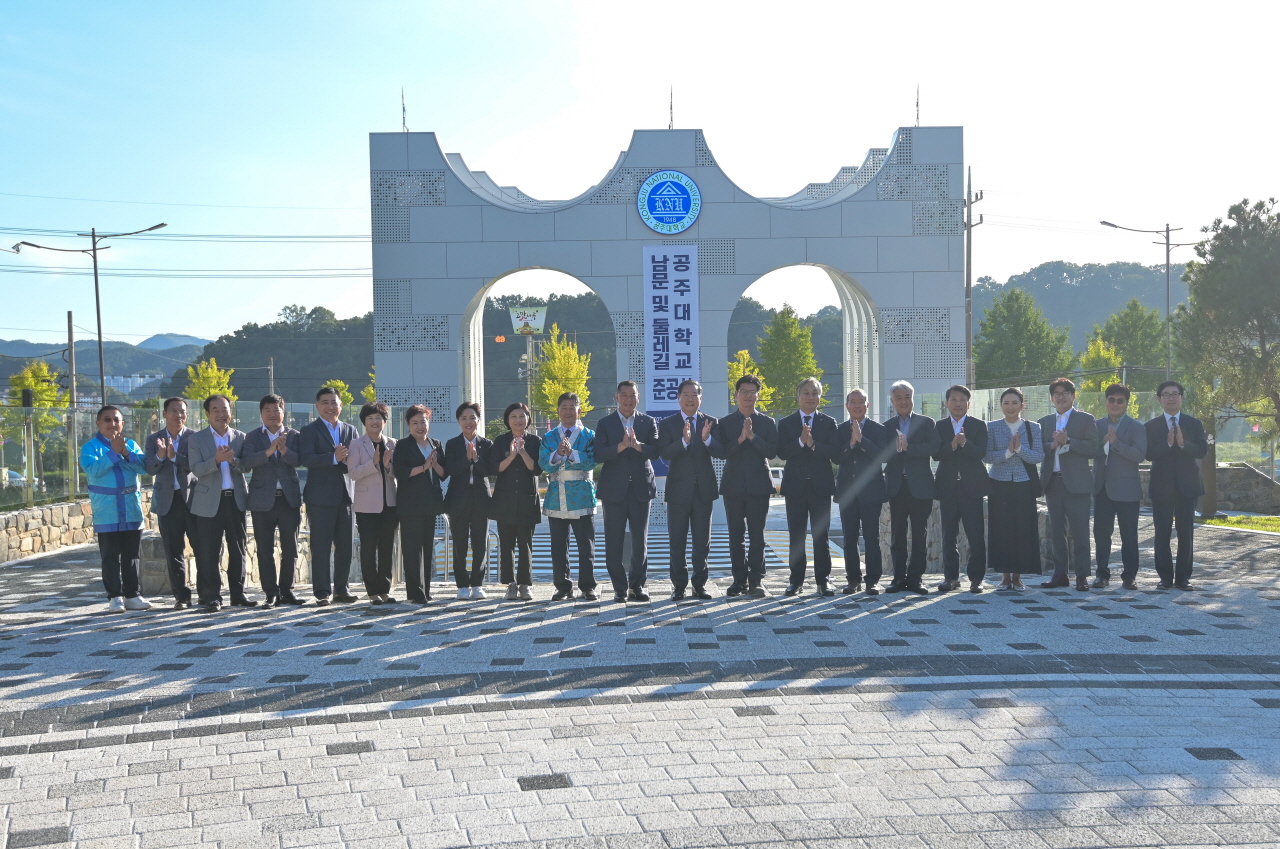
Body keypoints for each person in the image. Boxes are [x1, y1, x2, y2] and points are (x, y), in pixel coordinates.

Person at [713, 374, 779, 599]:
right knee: (736, 537)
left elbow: (772, 452)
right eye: (744, 391)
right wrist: (740, 439)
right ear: (736, 395)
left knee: (757, 536)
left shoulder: (767, 422)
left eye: (752, 392)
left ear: (758, 396)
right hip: (733, 486)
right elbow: (721, 452)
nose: (748, 396)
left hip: (759, 486)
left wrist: (753, 437)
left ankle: (756, 581)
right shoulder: (725, 423)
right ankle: (738, 580)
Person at [186, 394, 254, 612]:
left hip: (235, 500)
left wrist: (234, 461)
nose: (221, 414)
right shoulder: (197, 439)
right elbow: (196, 469)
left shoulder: (241, 437)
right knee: (209, 551)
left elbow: (247, 467)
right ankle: (212, 596)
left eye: (225, 409)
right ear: (207, 414)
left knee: (238, 549)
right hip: (208, 502)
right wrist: (216, 460)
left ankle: (238, 594)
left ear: (231, 412)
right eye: (215, 410)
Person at [82, 405, 151, 613]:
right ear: (98, 423)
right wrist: (113, 453)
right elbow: (93, 471)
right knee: (110, 556)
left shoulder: (131, 444)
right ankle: (115, 596)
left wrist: (126, 453)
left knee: (132, 555)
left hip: (131, 508)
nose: (112, 423)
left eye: (116, 420)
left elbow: (144, 467)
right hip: (107, 510)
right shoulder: (90, 448)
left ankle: (133, 595)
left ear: (123, 423)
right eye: (107, 420)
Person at [656, 380, 721, 601]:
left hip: (704, 490)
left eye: (695, 395)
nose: (690, 399)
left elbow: (721, 452)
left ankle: (699, 585)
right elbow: (664, 453)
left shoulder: (711, 422)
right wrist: (683, 442)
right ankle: (679, 585)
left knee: (702, 542)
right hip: (678, 490)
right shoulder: (668, 423)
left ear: (701, 399)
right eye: (686, 394)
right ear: (678, 398)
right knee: (677, 541)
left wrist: (707, 439)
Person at [595, 381, 660, 602]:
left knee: (640, 540)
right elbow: (598, 454)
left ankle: (637, 586)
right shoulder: (605, 423)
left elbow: (656, 451)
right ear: (617, 397)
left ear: (638, 398)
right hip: (614, 490)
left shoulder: (647, 421)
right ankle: (619, 588)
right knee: (614, 540)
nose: (628, 399)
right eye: (624, 395)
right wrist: (621, 446)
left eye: (632, 395)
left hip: (641, 488)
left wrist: (638, 445)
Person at [777, 378, 840, 596]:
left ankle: (824, 580)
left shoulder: (828, 422)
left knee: (821, 536)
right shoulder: (786, 423)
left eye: (815, 393)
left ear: (820, 397)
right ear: (798, 396)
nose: (810, 397)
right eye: (806, 392)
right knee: (796, 536)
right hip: (795, 486)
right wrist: (800, 442)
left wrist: (813, 444)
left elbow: (835, 453)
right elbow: (782, 452)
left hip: (820, 486)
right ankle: (796, 581)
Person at [240, 394, 304, 608]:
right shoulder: (252, 437)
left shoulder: (294, 435)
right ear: (261, 413)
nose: (272, 414)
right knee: (264, 548)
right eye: (267, 410)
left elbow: (300, 460)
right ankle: (270, 592)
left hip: (288, 498)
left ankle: (287, 590)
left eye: (276, 410)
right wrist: (268, 451)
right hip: (261, 500)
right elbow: (246, 462)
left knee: (290, 548)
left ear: (283, 412)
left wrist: (283, 450)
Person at [1038, 378, 1100, 591]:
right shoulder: (1044, 421)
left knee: (1080, 531)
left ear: (1073, 396)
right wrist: (1052, 444)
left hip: (1077, 484)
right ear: (1051, 398)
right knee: (1057, 532)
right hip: (1053, 482)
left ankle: (1082, 576)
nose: (1061, 397)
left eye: (1065, 393)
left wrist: (1069, 441)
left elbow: (1093, 448)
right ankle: (1060, 574)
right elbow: (1037, 449)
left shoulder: (1085, 419)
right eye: (1056, 394)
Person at [298, 386, 358, 606]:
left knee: (345, 547)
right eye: (325, 402)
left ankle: (342, 590)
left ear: (341, 405)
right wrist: (333, 457)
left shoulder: (350, 430)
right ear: (317, 406)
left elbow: (356, 458)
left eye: (334, 402)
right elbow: (306, 459)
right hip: (320, 497)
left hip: (346, 495)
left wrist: (348, 459)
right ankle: (322, 592)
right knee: (321, 547)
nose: (330, 407)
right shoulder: (309, 431)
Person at [1145, 380, 1208, 590]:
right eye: (1166, 394)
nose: (1171, 398)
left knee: (1185, 533)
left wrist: (1182, 444)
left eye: (1175, 394)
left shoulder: (1193, 423)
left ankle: (1183, 578)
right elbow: (1148, 454)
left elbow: (1201, 451)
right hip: (1161, 486)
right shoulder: (1151, 426)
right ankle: (1164, 577)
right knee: (1162, 533)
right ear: (1159, 399)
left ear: (1181, 397)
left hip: (1187, 486)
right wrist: (1168, 443)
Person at [540, 392, 599, 601]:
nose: (567, 412)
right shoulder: (549, 437)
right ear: (558, 411)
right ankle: (562, 586)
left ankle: (587, 586)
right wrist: (557, 454)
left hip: (582, 493)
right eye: (563, 407)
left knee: (586, 544)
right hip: (557, 495)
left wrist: (571, 453)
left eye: (571, 407)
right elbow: (543, 463)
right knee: (558, 545)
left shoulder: (589, 435)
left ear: (579, 410)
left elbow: (593, 460)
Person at [984, 388, 1045, 589]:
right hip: (998, 483)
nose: (1010, 407)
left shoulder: (1033, 427)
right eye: (1006, 403)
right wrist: (1007, 453)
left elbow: (1038, 456)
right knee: (1001, 529)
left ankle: (1018, 576)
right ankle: (1004, 576)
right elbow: (987, 456)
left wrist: (1019, 449)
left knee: (1022, 529)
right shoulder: (992, 427)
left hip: (1024, 483)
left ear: (1022, 405)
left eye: (1014, 403)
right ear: (1001, 406)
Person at [933, 385, 991, 593]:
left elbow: (981, 453)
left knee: (975, 535)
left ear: (968, 403)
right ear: (946, 403)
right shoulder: (939, 426)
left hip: (971, 488)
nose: (958, 404)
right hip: (948, 487)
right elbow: (936, 454)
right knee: (948, 536)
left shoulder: (978, 425)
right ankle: (951, 578)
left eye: (962, 400)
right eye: (954, 399)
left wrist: (965, 443)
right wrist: (952, 446)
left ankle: (976, 579)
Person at [883, 380, 940, 594]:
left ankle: (916, 579)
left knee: (919, 535)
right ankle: (898, 578)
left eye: (907, 397)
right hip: (897, 486)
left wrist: (909, 448)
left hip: (920, 487)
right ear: (892, 401)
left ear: (913, 399)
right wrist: (896, 449)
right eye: (898, 398)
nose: (903, 401)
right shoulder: (886, 427)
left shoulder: (927, 423)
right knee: (897, 535)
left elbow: (933, 447)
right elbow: (882, 454)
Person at [834, 388, 892, 595]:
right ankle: (853, 580)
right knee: (849, 539)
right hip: (847, 491)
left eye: (861, 402)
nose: (857, 405)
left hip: (871, 491)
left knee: (871, 538)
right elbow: (836, 457)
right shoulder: (840, 429)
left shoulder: (878, 429)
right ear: (847, 406)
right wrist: (851, 443)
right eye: (853, 402)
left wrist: (862, 440)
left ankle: (872, 581)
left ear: (867, 405)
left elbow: (883, 456)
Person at [1092, 384, 1147, 590]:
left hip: (1127, 489)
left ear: (1126, 403)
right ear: (1106, 402)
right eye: (1111, 400)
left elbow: (1139, 455)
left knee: (1129, 535)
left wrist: (1115, 443)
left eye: (1120, 401)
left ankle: (1129, 576)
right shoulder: (1096, 425)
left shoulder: (1137, 427)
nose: (1115, 404)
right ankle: (1101, 574)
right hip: (1101, 488)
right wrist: (1103, 443)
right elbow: (1089, 451)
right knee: (1101, 534)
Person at [143, 397, 196, 609]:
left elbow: (196, 465)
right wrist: (160, 456)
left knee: (202, 548)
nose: (178, 415)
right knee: (173, 551)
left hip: (193, 499)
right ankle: (182, 597)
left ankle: (207, 593)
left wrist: (174, 457)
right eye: (174, 411)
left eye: (182, 411)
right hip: (167, 501)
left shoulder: (195, 437)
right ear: (164, 414)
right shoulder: (153, 439)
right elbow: (149, 469)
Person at [392, 404, 445, 604]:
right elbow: (401, 473)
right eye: (415, 423)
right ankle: (415, 591)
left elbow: (443, 473)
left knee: (427, 547)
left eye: (423, 422)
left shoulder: (436, 444)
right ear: (408, 425)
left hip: (431, 504)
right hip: (410, 505)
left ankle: (426, 589)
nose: (420, 426)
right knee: (412, 549)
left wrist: (435, 464)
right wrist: (424, 466)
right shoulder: (403, 445)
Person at [491, 402, 541, 601]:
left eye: (522, 416)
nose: (518, 420)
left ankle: (525, 584)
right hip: (504, 500)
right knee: (506, 545)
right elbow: (495, 469)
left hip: (527, 500)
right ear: (507, 420)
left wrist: (522, 452)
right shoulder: (500, 441)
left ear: (528, 419)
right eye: (513, 416)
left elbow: (536, 469)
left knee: (525, 544)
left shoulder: (535, 441)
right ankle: (510, 584)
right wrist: (512, 455)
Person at [443, 401, 494, 599]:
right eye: (464, 418)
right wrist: (466, 459)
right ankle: (462, 585)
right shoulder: (452, 444)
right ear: (458, 421)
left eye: (472, 418)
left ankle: (477, 584)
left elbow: (489, 471)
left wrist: (476, 459)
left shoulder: (487, 444)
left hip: (481, 499)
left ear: (478, 420)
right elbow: (451, 470)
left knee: (480, 543)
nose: (468, 422)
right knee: (459, 544)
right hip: (458, 499)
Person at [349, 401, 398, 604]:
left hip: (390, 504)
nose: (375, 421)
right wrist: (374, 463)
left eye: (379, 417)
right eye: (370, 418)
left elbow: (398, 472)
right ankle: (372, 592)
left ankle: (385, 590)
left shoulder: (393, 443)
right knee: (368, 549)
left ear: (385, 421)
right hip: (367, 506)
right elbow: (353, 473)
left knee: (387, 548)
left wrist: (387, 467)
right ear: (364, 421)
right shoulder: (356, 444)